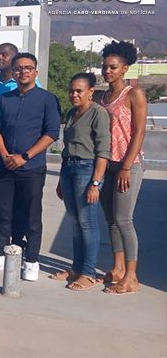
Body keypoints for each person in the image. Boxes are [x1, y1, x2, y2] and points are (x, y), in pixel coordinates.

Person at [0, 53, 61, 281]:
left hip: (32, 166)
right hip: (5, 165)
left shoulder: (47, 99)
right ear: (13, 72)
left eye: (28, 68)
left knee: (31, 214)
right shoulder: (4, 98)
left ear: (35, 71)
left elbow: (51, 133)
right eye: (18, 68)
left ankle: (32, 260)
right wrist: (5, 154)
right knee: (2, 212)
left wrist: (25, 156)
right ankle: (0, 253)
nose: (23, 72)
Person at [50, 73, 110, 291]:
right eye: (71, 90)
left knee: (87, 221)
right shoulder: (72, 113)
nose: (73, 94)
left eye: (79, 91)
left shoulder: (98, 113)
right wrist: (61, 179)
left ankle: (88, 272)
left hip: (87, 169)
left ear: (90, 91)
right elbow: (67, 146)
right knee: (75, 221)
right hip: (69, 167)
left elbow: (103, 151)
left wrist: (95, 182)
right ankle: (76, 268)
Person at [98, 40, 148, 295]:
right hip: (107, 165)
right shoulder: (102, 96)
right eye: (105, 66)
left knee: (124, 220)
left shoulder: (133, 94)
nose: (107, 71)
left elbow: (139, 131)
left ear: (125, 68)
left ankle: (131, 276)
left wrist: (127, 166)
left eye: (113, 67)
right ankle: (117, 267)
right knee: (110, 219)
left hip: (128, 164)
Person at [0, 42, 30, 259]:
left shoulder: (25, 84)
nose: (0, 57)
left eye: (5, 54)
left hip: (18, 153)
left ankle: (17, 240)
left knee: (19, 199)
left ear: (14, 58)